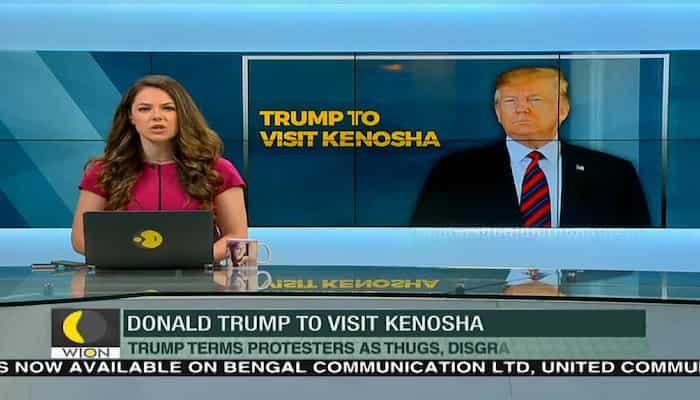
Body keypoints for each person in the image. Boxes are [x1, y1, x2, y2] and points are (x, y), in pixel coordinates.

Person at [411, 67, 651, 228]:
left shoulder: (614, 173)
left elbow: (638, 253)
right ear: (498, 112)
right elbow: (425, 248)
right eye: (510, 101)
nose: (521, 109)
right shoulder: (454, 172)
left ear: (563, 110)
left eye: (534, 99)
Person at [71, 75, 248, 262]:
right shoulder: (103, 171)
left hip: (198, 276)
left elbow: (237, 236)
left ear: (182, 114)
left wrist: (192, 259)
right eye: (145, 109)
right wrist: (134, 258)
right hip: (122, 276)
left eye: (168, 108)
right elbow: (81, 239)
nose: (157, 116)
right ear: (131, 117)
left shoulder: (218, 170)